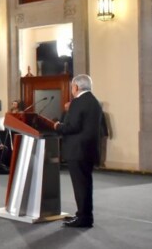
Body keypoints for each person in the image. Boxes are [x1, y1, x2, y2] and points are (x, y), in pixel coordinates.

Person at [55, 74, 103, 229]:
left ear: (76, 87)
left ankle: (83, 218)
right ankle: (84, 215)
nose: (72, 90)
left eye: (72, 87)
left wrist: (57, 126)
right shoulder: (94, 101)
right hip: (88, 150)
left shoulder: (78, 102)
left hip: (77, 150)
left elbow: (73, 127)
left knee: (80, 185)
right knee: (86, 184)